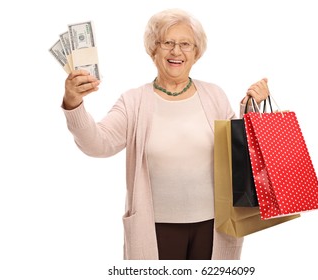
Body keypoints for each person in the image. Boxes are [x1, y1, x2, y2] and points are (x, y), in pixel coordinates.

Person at [62, 8, 269, 260]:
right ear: (153, 49)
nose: (176, 52)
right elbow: (98, 144)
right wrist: (74, 103)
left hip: (215, 224)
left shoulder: (214, 95)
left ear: (196, 52)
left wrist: (253, 110)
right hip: (155, 227)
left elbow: (240, 156)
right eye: (167, 43)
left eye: (185, 44)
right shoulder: (134, 101)